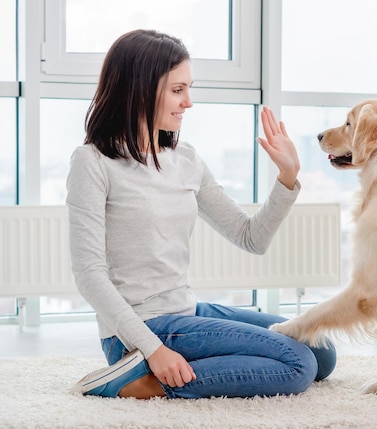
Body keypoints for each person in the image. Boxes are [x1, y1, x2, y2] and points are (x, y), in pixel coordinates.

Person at [66, 29, 336, 400]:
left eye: (188, 89)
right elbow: (89, 276)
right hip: (137, 330)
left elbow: (250, 237)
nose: (188, 102)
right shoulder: (93, 163)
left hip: (187, 311)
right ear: (140, 89)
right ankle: (142, 382)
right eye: (178, 90)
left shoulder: (186, 159)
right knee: (298, 365)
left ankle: (185, 366)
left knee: (320, 350)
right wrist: (154, 350)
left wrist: (287, 177)